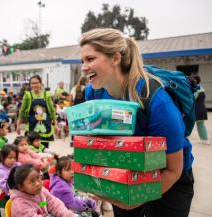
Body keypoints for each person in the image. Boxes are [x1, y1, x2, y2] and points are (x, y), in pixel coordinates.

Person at [80, 28, 194, 217]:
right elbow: (99, 142)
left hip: (168, 179)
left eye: (90, 59)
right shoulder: (93, 92)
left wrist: (135, 202)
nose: (84, 67)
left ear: (115, 58)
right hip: (127, 170)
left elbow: (174, 169)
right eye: (82, 61)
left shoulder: (156, 101)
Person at [7, 164, 75, 217]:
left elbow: (52, 202)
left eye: (38, 178)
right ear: (21, 187)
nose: (37, 183)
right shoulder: (20, 205)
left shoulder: (40, 191)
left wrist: (67, 214)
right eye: (32, 182)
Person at [17, 75, 56, 149]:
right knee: (31, 149)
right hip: (32, 127)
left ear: (40, 83)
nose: (34, 85)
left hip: (45, 127)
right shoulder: (28, 95)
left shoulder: (47, 95)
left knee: (44, 149)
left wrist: (56, 124)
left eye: (36, 83)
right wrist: (18, 124)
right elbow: (22, 110)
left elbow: (52, 111)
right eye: (32, 83)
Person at [191, 75, 210, 145]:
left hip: (197, 110)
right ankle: (204, 139)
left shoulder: (196, 89)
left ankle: (204, 139)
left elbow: (192, 99)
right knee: (201, 125)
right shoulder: (202, 88)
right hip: (202, 109)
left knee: (198, 125)